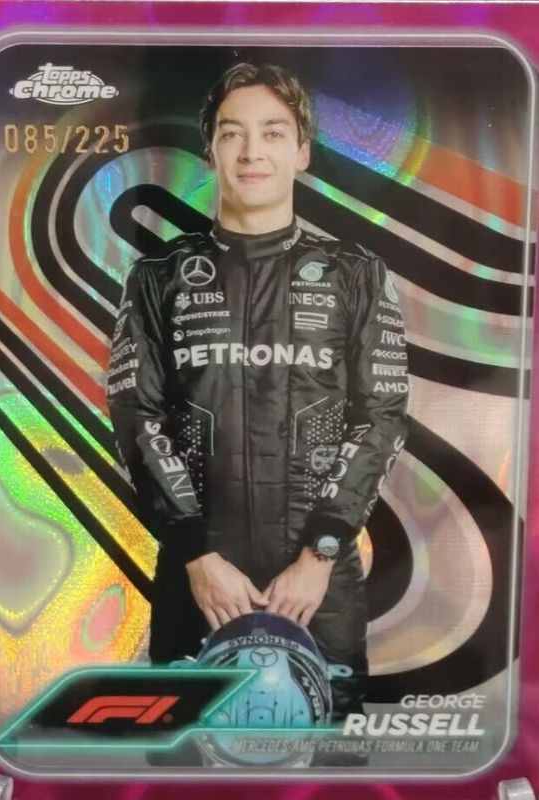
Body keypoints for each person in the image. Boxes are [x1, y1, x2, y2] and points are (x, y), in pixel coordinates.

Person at [106, 62, 409, 727]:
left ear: (301, 152)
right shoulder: (158, 278)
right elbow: (136, 415)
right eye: (232, 133)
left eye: (273, 133)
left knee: (326, 759)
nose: (251, 152)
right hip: (198, 581)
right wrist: (196, 555)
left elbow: (381, 417)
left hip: (318, 588)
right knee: (187, 757)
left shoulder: (357, 275)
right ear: (210, 149)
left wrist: (319, 557)